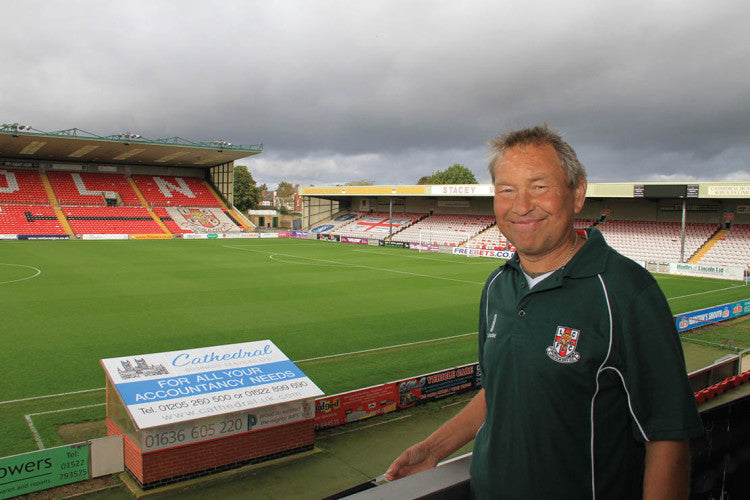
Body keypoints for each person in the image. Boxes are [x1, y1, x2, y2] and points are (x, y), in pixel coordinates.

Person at [385, 125, 703, 498]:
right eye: (507, 190)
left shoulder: (627, 292)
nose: (521, 206)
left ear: (577, 192)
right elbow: (499, 391)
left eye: (539, 186)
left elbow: (667, 437)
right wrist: (434, 450)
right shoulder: (496, 287)